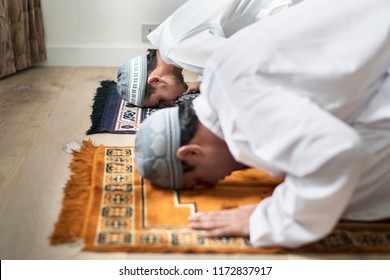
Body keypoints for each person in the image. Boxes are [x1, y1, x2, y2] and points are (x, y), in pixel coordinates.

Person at [134, 0, 390, 248]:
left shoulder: (240, 113)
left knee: (351, 193)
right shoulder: (217, 77)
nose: (219, 181)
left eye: (201, 181)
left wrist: (269, 219)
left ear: (191, 152)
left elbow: (339, 152)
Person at [116, 0, 301, 108]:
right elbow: (217, 49)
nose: (170, 103)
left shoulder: (177, 49)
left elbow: (250, 63)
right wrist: (205, 82)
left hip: (289, 11)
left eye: (160, 101)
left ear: (156, 80)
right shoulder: (166, 36)